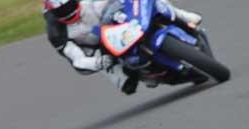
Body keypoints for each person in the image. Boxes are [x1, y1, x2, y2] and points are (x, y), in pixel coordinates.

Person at [43, 0, 202, 94]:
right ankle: (145, 75)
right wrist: (98, 63)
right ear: (52, 12)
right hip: (100, 47)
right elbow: (77, 60)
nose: (68, 13)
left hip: (115, 22)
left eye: (69, 5)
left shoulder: (88, 3)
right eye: (61, 11)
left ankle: (182, 15)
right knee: (128, 86)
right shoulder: (56, 33)